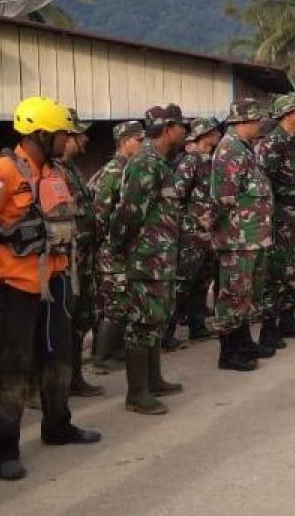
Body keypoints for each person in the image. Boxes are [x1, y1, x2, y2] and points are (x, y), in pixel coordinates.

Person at [0, 96, 101, 481]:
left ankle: (58, 425)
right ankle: (1, 449)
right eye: (61, 133)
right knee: (11, 365)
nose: (66, 140)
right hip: (16, 286)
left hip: (56, 279)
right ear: (42, 133)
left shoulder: (55, 172)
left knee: (58, 353)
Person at [105, 105, 187, 410]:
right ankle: (136, 393)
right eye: (181, 127)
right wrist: (119, 249)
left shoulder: (160, 163)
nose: (185, 132)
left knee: (154, 319)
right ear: (167, 130)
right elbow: (128, 212)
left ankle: (153, 380)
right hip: (145, 258)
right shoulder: (146, 163)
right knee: (141, 322)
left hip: (159, 258)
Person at [211, 99, 275, 370]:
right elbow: (223, 199)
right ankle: (228, 352)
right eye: (256, 120)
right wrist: (224, 236)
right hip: (237, 239)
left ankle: (244, 342)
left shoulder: (245, 148)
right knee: (233, 296)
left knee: (247, 295)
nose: (260, 124)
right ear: (242, 122)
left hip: (253, 237)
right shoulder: (229, 151)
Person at [257, 96, 295, 344]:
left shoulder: (293, 142)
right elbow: (264, 181)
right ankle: (269, 330)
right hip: (281, 217)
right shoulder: (274, 143)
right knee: (278, 272)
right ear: (288, 114)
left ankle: (288, 320)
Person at [54, 121, 106, 397]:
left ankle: (74, 378)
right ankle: (56, 383)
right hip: (66, 260)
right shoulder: (53, 172)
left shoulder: (72, 170)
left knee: (80, 317)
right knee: (63, 320)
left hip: (83, 258)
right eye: (79, 134)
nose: (85, 139)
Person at [88, 122, 145, 371]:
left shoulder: (129, 168)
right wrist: (105, 246)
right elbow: (100, 213)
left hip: (124, 248)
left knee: (122, 301)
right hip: (112, 249)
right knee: (115, 303)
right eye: (138, 140)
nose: (143, 145)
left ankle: (114, 351)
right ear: (125, 142)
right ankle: (102, 358)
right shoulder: (114, 171)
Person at [168, 117, 223, 350]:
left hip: (209, 233)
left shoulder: (212, 161)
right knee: (182, 283)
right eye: (214, 131)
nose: (219, 135)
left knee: (202, 281)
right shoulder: (190, 162)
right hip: (191, 234)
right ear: (206, 134)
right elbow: (177, 196)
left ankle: (197, 326)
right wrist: (192, 221)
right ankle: (166, 333)